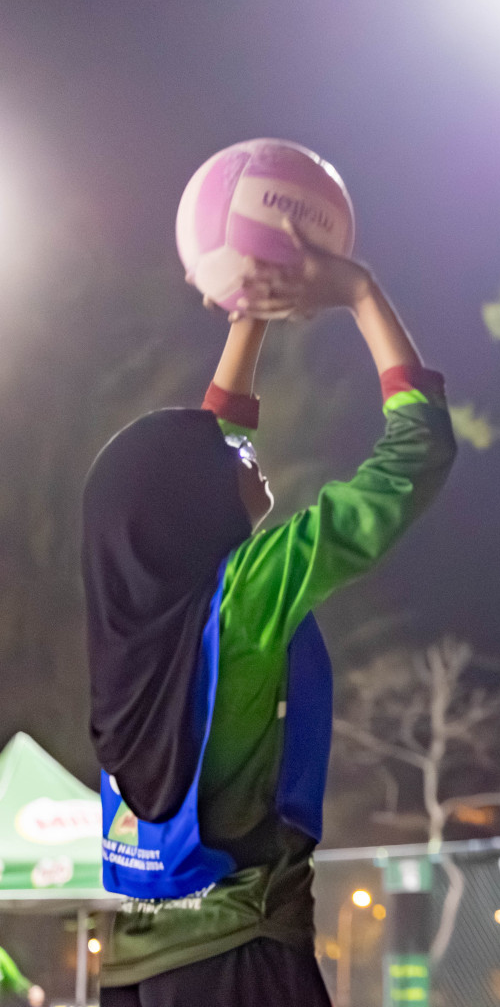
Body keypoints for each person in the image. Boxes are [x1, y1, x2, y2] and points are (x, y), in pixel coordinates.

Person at [84, 222, 455, 1006]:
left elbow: (208, 443)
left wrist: (251, 310)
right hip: (239, 964)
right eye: (230, 460)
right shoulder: (245, 598)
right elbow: (418, 454)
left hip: (137, 969)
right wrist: (359, 292)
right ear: (193, 508)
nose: (248, 453)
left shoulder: (134, 627)